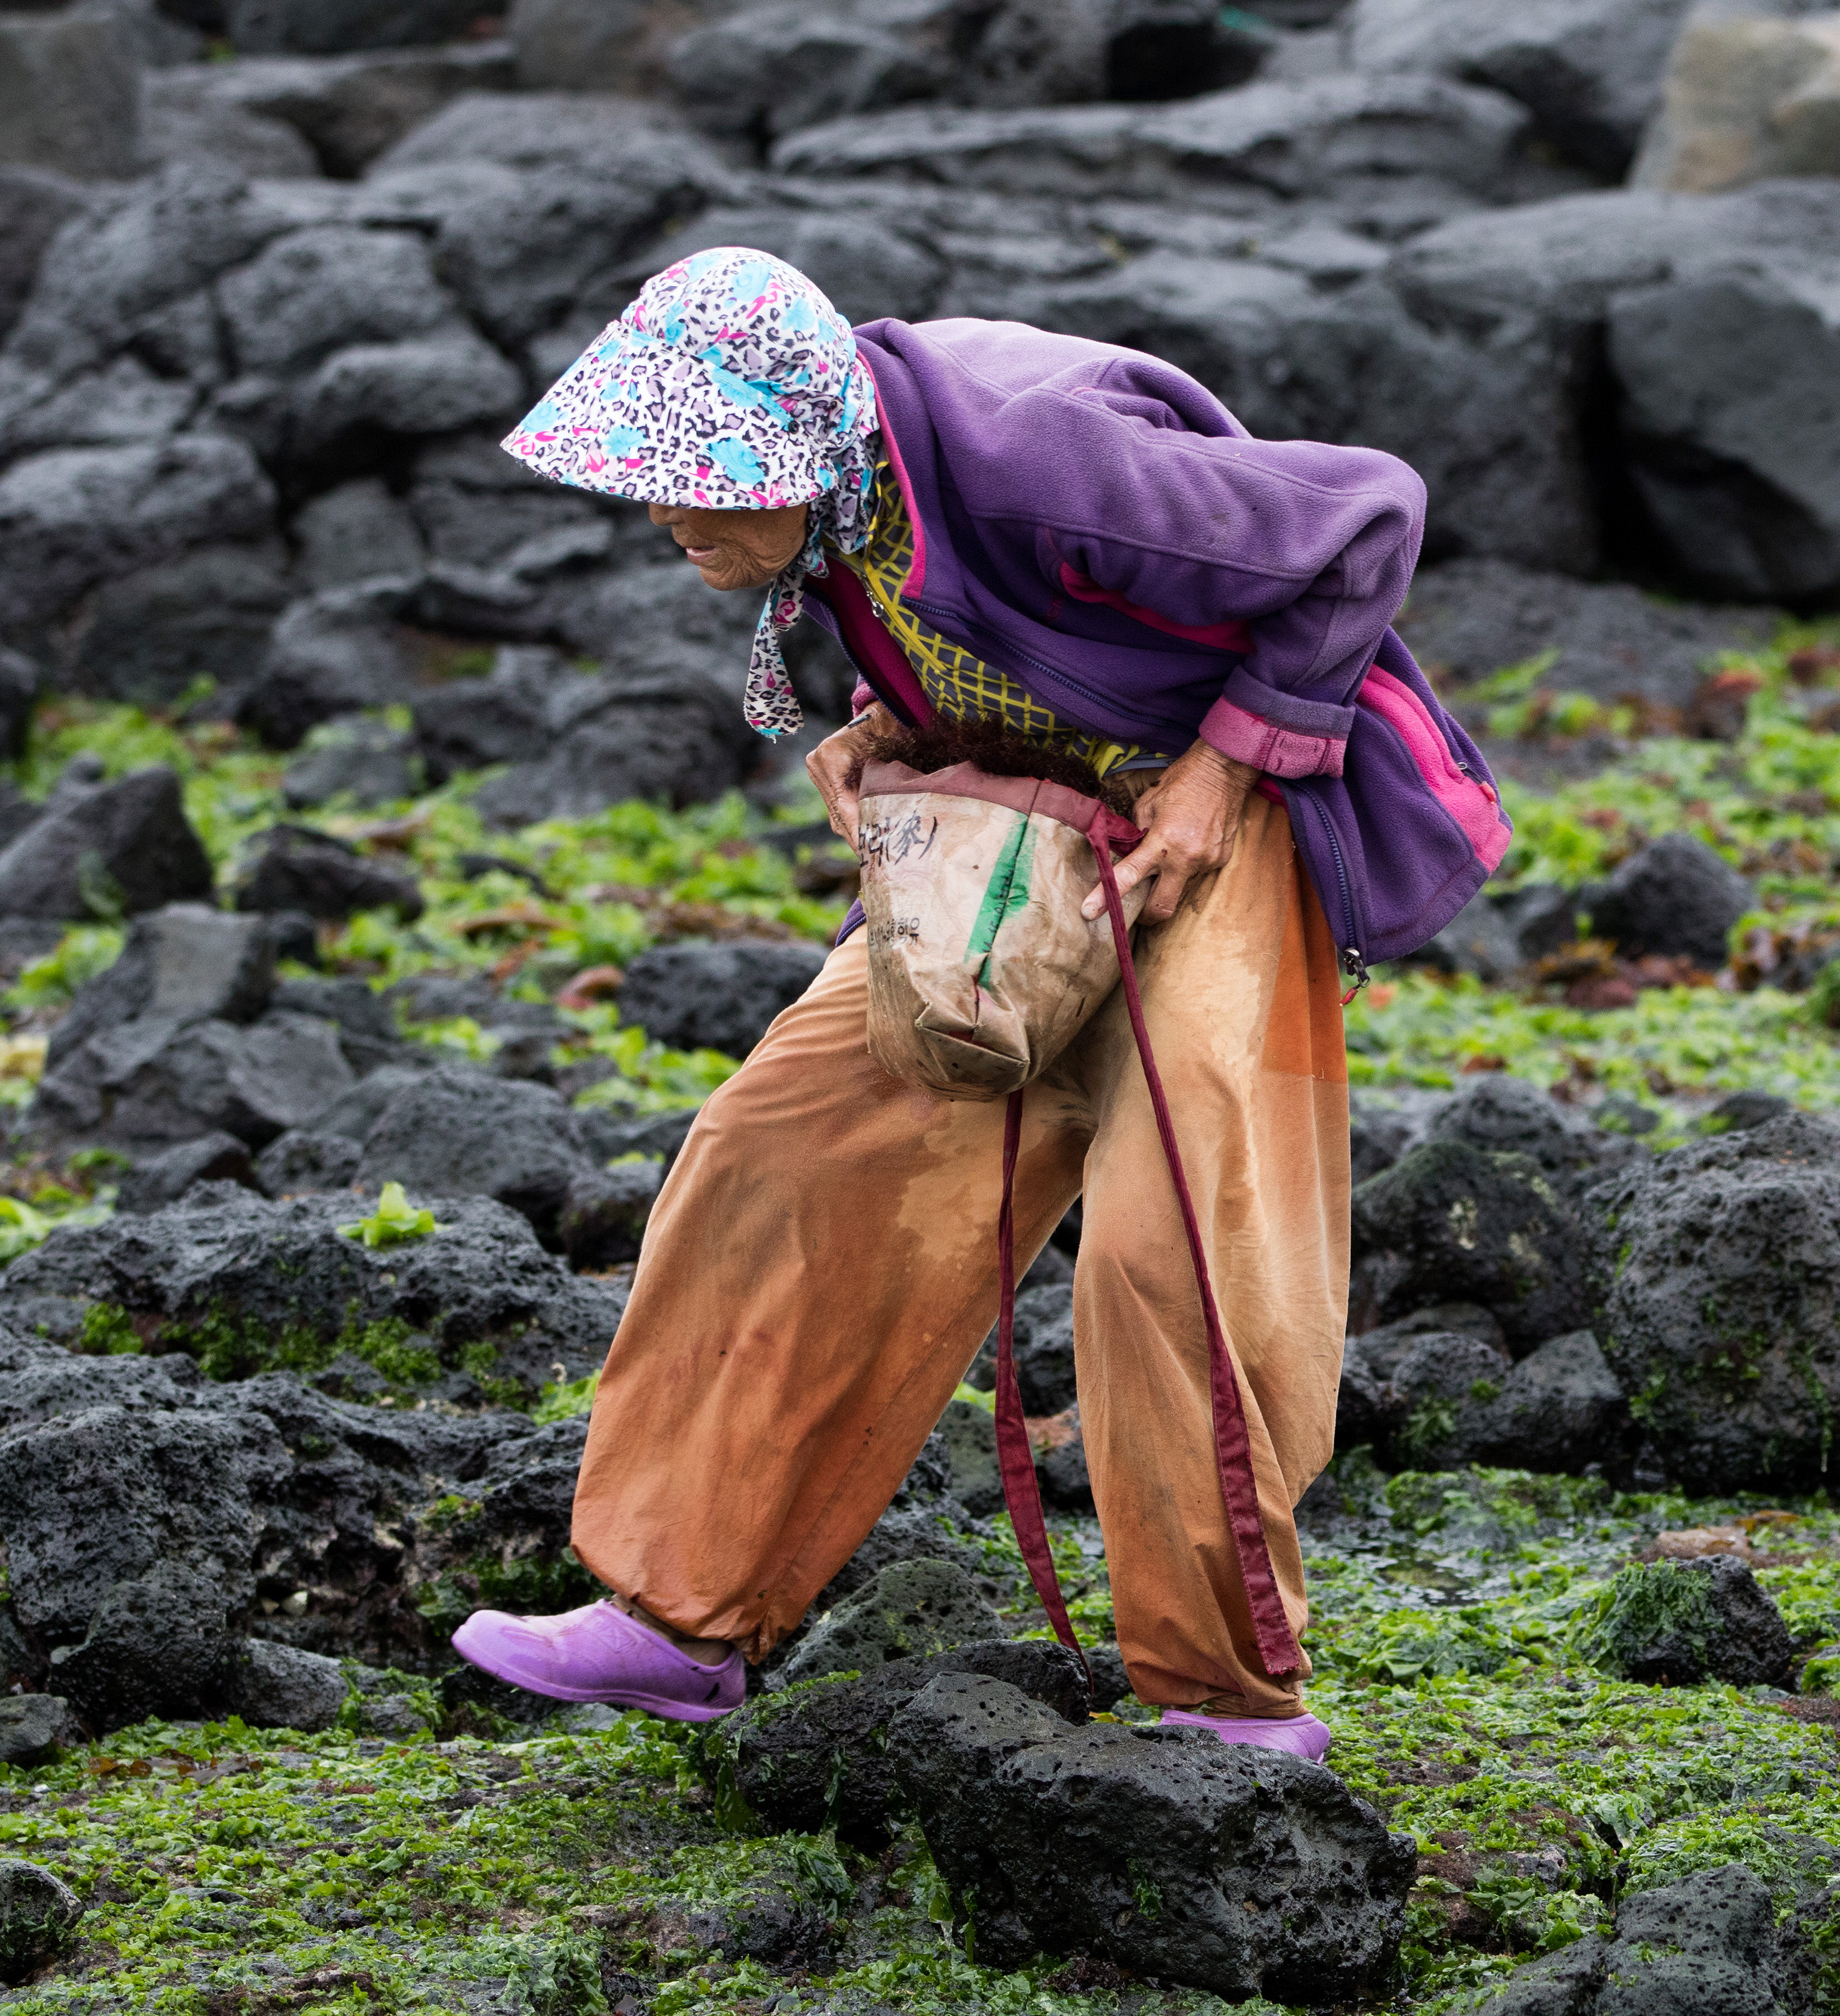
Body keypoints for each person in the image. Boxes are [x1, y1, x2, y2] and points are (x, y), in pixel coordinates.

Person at [448, 249, 1507, 1759]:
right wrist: (889, 715)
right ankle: (680, 1611)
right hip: (1015, 846)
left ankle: (1223, 1700)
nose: (664, 512)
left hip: (1205, 836)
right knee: (782, 1143)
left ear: (795, 443)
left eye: (696, 476)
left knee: (1172, 1248)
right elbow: (1012, 633)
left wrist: (1224, 768)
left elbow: (1363, 517)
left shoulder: (1032, 465)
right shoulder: (841, 500)